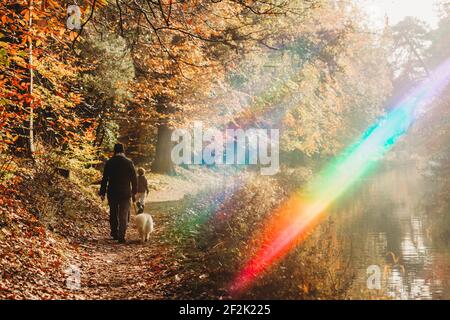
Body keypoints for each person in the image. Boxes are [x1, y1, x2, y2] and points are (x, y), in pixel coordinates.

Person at [99, 143, 137, 243]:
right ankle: (121, 236)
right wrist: (134, 191)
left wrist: (102, 192)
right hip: (125, 192)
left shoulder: (110, 162)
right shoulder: (129, 162)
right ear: (123, 151)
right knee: (123, 214)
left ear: (114, 151)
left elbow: (105, 179)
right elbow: (134, 178)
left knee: (113, 213)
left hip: (112, 192)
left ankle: (114, 233)